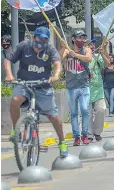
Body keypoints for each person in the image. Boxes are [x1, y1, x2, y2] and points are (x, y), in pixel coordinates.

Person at [3, 26, 69, 157]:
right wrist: (9, 75)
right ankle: (16, 131)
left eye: (45, 40)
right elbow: (8, 59)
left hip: (43, 86)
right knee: (15, 100)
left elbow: (57, 63)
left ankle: (62, 142)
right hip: (24, 84)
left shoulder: (49, 49)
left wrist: (56, 75)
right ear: (34, 37)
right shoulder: (24, 46)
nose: (42, 43)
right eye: (40, 39)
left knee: (53, 117)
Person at [60, 30, 93, 146]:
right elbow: (59, 59)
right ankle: (76, 137)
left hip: (84, 85)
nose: (82, 40)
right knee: (74, 112)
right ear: (73, 39)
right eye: (79, 37)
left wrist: (76, 55)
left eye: (83, 37)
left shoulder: (86, 50)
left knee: (84, 109)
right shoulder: (67, 51)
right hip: (71, 87)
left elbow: (88, 59)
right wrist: (63, 47)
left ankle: (85, 134)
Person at [87, 39, 106, 142]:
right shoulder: (83, 57)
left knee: (101, 110)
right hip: (86, 88)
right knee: (88, 113)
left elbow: (104, 67)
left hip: (98, 88)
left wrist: (102, 54)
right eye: (90, 44)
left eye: (93, 44)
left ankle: (97, 132)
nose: (92, 46)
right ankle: (89, 134)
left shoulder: (98, 56)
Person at [100, 51, 114, 116]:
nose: (110, 58)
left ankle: (111, 112)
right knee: (108, 99)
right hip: (106, 85)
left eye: (112, 57)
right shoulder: (105, 66)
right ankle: (113, 110)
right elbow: (102, 74)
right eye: (109, 57)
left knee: (112, 97)